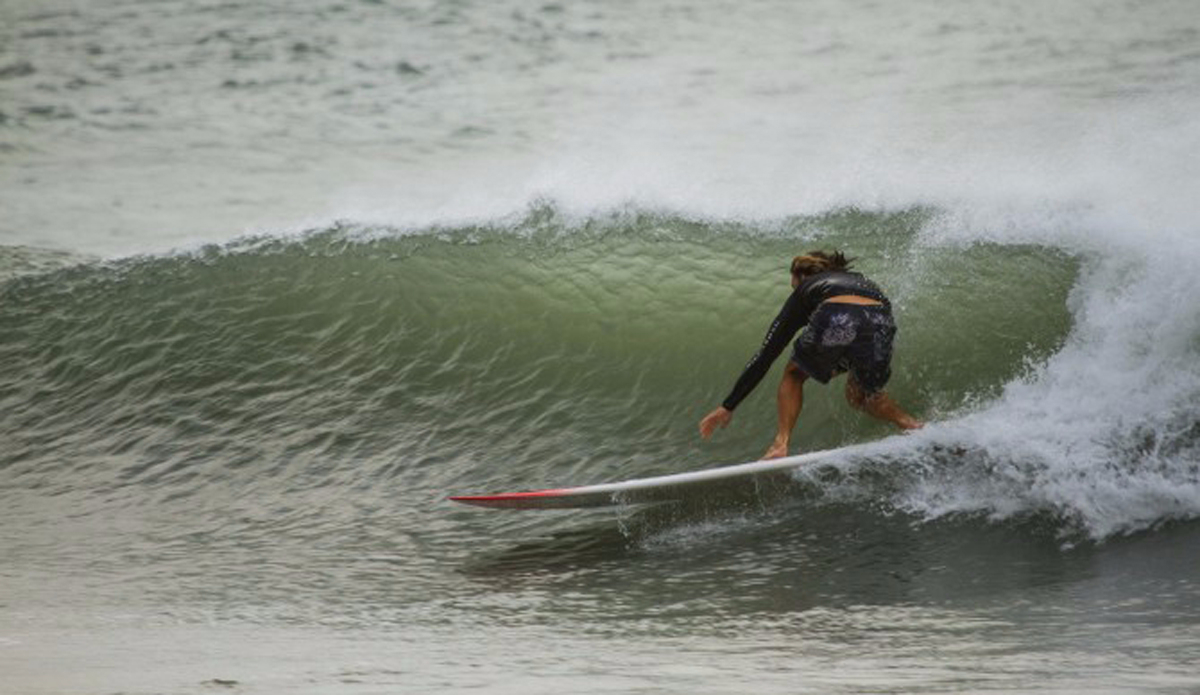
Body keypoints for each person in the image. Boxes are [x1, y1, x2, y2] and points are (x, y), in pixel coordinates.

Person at [698, 250, 922, 459]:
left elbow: (767, 353)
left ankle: (780, 444)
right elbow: (862, 318)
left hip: (837, 312)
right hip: (881, 320)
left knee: (794, 374)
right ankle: (912, 426)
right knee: (863, 396)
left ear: (802, 275)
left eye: (792, 281)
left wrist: (728, 406)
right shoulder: (861, 281)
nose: (792, 286)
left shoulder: (808, 287)